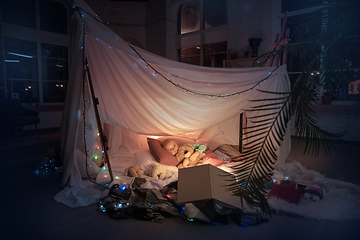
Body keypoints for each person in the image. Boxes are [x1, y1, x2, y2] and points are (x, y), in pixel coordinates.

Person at [162, 139, 227, 168]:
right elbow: (181, 167)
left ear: (177, 144)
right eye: (170, 149)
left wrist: (196, 153)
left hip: (205, 155)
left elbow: (203, 145)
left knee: (206, 161)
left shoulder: (186, 146)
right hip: (199, 163)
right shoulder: (177, 159)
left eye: (174, 145)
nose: (174, 149)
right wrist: (185, 165)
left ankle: (224, 162)